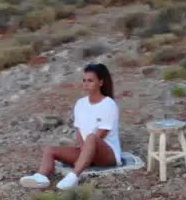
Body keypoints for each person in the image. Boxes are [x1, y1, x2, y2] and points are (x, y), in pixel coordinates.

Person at [20, 63, 121, 191]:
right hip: (87, 150)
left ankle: (74, 176)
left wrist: (83, 155)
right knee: (49, 150)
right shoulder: (80, 103)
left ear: (100, 82)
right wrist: (83, 154)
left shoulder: (109, 105)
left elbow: (100, 136)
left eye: (90, 81)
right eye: (84, 80)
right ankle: (41, 177)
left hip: (107, 155)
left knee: (91, 137)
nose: (85, 84)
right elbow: (79, 131)